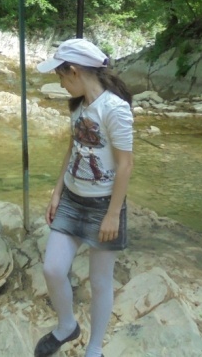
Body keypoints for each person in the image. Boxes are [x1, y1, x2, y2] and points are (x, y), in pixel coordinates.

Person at [36, 38, 133, 357]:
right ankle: (67, 326)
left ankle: (94, 348)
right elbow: (73, 148)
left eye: (61, 77)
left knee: (100, 280)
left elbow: (125, 165)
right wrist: (56, 192)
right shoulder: (77, 105)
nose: (61, 84)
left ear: (75, 72)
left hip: (102, 206)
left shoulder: (115, 109)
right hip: (71, 200)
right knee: (52, 269)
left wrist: (112, 215)